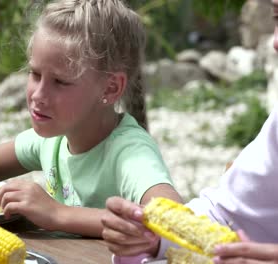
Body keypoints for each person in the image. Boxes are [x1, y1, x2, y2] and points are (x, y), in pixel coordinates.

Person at [0, 0, 181, 238]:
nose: (38, 95)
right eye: (34, 74)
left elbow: (170, 219)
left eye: (60, 82)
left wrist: (57, 214)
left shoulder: (130, 153)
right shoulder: (53, 139)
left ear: (110, 88)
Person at [102, 0, 278, 262]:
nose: (275, 42)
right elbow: (228, 214)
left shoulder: (130, 146)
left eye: (61, 81)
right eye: (276, 15)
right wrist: (156, 236)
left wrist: (57, 214)